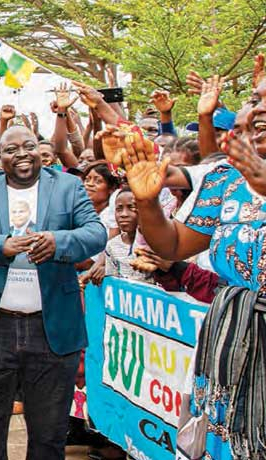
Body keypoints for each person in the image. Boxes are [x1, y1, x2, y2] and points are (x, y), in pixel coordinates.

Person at [103, 80, 266, 456]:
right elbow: (172, 244)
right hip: (232, 345)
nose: (257, 109)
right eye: (254, 99)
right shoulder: (226, 178)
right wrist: (147, 203)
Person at [0, 125, 106, 460]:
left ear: (39, 148)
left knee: (48, 434)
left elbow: (95, 233)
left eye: (28, 146)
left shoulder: (68, 186)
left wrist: (58, 242)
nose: (21, 154)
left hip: (52, 330)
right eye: (10, 149)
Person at [104, 188, 151, 283]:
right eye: (119, 209)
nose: (124, 214)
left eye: (131, 208)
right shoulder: (112, 246)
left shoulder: (154, 245)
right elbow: (113, 282)